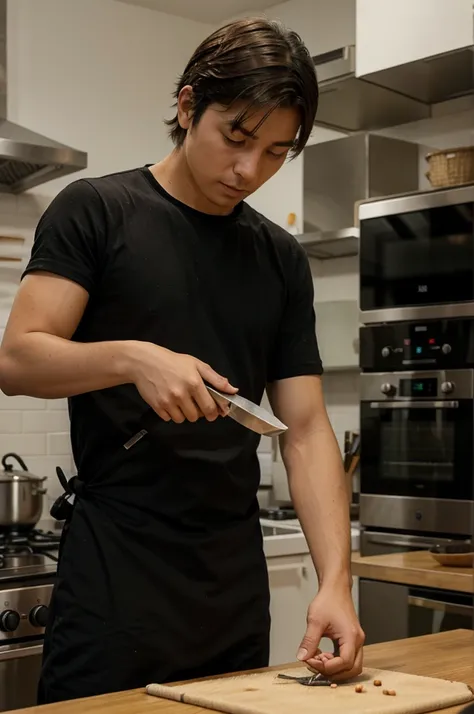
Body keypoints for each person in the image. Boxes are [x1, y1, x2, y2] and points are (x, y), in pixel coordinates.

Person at [0, 17, 364, 704]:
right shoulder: (98, 210)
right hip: (116, 572)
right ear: (189, 105)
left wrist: (336, 585)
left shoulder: (280, 258)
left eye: (277, 153)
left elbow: (308, 430)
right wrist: (134, 359)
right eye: (238, 137)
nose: (249, 171)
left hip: (231, 579)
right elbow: (18, 360)